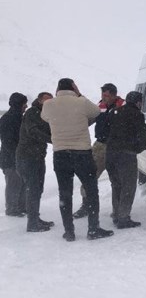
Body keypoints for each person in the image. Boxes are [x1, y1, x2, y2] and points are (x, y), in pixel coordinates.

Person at [41, 78, 114, 241]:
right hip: (82, 154)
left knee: (64, 194)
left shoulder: (49, 105)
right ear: (73, 87)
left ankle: (69, 231)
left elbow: (45, 117)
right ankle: (93, 229)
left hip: (60, 155)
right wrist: (79, 94)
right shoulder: (81, 102)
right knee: (91, 191)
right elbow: (96, 111)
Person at [73, 83, 124, 219]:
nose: (104, 98)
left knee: (117, 179)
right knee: (89, 175)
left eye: (107, 95)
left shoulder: (122, 106)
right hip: (100, 145)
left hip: (117, 147)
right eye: (103, 95)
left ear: (114, 95)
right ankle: (86, 206)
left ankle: (118, 210)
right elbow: (89, 119)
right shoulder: (100, 106)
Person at [106, 91, 146, 229]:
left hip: (110, 154)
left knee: (116, 184)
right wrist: (137, 149)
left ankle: (116, 214)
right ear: (138, 102)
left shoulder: (115, 112)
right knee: (128, 186)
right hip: (126, 156)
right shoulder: (137, 115)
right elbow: (143, 138)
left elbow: (104, 131)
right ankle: (123, 218)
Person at [16, 92, 55, 232]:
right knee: (33, 189)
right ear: (39, 100)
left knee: (38, 189)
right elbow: (33, 131)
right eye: (46, 100)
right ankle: (32, 223)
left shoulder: (46, 114)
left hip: (37, 157)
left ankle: (35, 218)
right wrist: (53, 139)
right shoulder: (33, 113)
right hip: (27, 158)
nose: (49, 103)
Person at [0, 92, 28, 217]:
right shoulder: (12, 118)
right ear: (19, 104)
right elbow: (9, 141)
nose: (26, 106)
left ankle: (20, 206)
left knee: (20, 182)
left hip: (13, 157)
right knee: (14, 183)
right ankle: (12, 208)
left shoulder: (11, 117)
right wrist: (18, 155)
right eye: (24, 104)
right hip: (12, 158)